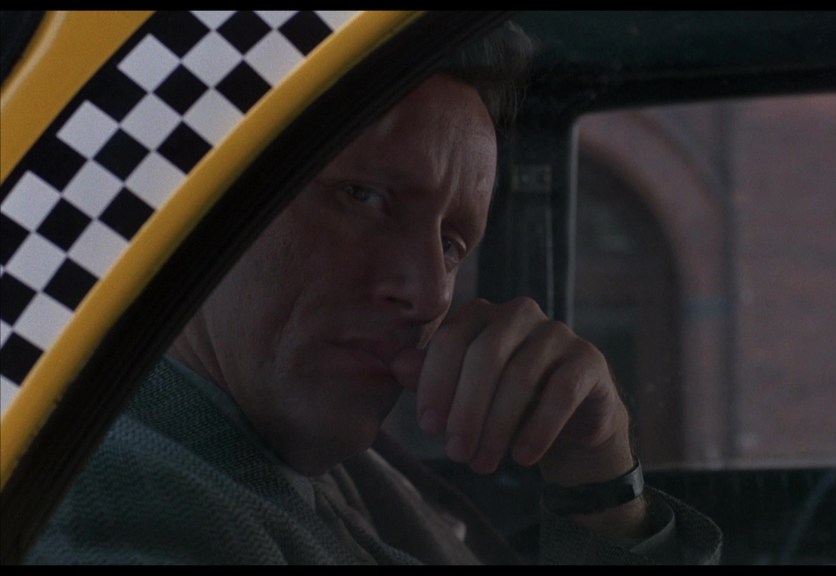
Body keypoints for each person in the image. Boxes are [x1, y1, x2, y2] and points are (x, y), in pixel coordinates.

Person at [26, 21, 721, 565]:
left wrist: (599, 483)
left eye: (453, 242)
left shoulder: (310, 452)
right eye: (363, 197)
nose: (425, 293)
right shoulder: (124, 508)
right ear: (201, 198)